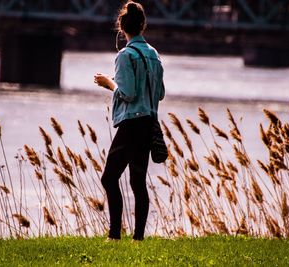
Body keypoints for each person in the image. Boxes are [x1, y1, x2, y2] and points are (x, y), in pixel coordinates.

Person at [94, 1, 165, 241]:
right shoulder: (154, 55)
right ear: (142, 25)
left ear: (122, 26)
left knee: (109, 178)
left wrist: (109, 83)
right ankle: (138, 238)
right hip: (148, 123)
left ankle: (114, 235)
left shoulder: (125, 55)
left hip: (131, 123)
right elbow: (160, 93)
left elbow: (128, 93)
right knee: (138, 181)